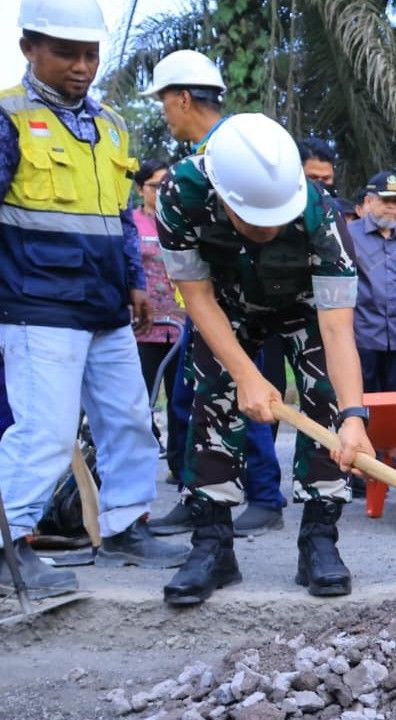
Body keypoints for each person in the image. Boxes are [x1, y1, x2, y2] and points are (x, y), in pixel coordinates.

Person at [1, 0, 190, 599]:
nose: (82, 67)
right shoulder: (7, 118)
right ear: (30, 48)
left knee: (131, 420)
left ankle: (127, 525)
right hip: (38, 304)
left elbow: (120, 217)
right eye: (67, 54)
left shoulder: (110, 125)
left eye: (91, 55)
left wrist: (134, 281)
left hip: (107, 305)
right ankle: (12, 545)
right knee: (47, 433)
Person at [156, 113, 374, 605]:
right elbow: (197, 296)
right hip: (225, 307)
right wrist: (246, 374)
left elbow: (337, 328)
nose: (269, 227)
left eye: (278, 215)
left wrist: (355, 417)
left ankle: (319, 540)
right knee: (213, 394)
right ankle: (212, 544)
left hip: (304, 310)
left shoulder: (321, 214)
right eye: (254, 218)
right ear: (222, 194)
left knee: (324, 395)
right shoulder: (179, 195)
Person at [142, 48, 286, 538]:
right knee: (189, 399)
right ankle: (197, 493)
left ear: (183, 99)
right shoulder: (199, 159)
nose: (164, 113)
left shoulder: (233, 151)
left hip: (242, 306)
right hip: (202, 306)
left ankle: (265, 495)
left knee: (252, 395)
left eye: (165, 101)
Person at [132, 160, 186, 471]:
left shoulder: (178, 220)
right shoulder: (132, 222)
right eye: (155, 185)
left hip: (180, 324)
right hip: (143, 325)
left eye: (167, 185)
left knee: (180, 400)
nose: (162, 192)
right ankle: (141, 462)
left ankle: (180, 466)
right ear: (141, 188)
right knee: (140, 401)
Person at [349, 171, 396, 394]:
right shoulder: (349, 234)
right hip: (363, 335)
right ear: (369, 201)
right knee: (363, 399)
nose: (391, 207)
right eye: (386, 200)